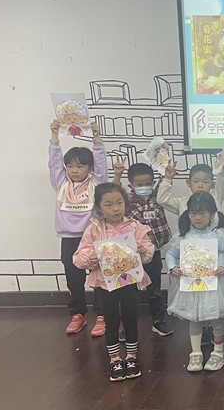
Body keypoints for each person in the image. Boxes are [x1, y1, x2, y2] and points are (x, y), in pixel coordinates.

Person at [72, 183, 155, 381]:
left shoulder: (135, 227)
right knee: (111, 320)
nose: (115, 209)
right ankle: (115, 359)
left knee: (131, 318)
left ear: (125, 203)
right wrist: (91, 258)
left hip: (130, 281)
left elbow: (148, 252)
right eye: (108, 205)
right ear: (99, 208)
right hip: (105, 283)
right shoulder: (94, 230)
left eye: (119, 203)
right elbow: (78, 257)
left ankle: (132, 357)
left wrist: (143, 250)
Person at [157, 160, 224, 345]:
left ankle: (214, 336)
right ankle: (201, 335)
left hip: (213, 265)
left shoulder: (215, 197)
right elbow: (161, 199)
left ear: (212, 184)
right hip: (192, 264)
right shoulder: (183, 202)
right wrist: (167, 178)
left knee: (212, 303)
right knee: (196, 303)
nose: (201, 185)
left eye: (205, 181)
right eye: (196, 181)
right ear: (188, 183)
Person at [166, 192, 224, 373]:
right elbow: (171, 254)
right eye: (193, 213)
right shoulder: (183, 236)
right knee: (195, 318)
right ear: (188, 214)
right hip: (191, 286)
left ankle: (219, 351)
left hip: (215, 286)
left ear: (212, 214)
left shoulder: (218, 235)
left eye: (202, 213)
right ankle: (196, 352)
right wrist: (172, 267)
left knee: (216, 318)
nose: (197, 217)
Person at [49, 119, 107, 336]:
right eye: (71, 166)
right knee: (74, 278)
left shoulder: (96, 183)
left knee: (98, 276)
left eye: (80, 166)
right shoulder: (61, 184)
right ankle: (78, 314)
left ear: (90, 168)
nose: (74, 170)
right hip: (69, 238)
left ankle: (102, 315)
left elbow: (101, 163)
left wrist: (97, 138)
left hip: (93, 237)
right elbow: (54, 164)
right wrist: (55, 136)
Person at [112, 160, 173, 337]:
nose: (144, 187)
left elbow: (165, 184)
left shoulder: (157, 196)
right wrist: (117, 174)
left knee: (155, 290)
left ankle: (158, 321)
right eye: (139, 185)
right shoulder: (127, 201)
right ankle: (128, 326)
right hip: (132, 253)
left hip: (153, 252)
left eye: (147, 183)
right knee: (129, 292)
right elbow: (115, 191)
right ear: (131, 185)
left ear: (152, 182)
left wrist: (168, 175)